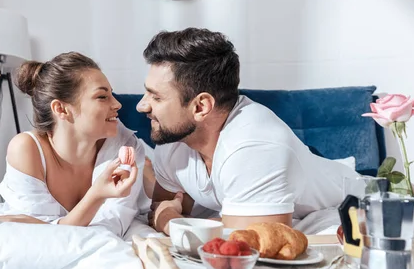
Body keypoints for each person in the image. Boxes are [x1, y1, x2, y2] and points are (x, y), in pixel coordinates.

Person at [137, 28, 359, 235]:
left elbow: (253, 239)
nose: (141, 106)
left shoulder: (256, 146)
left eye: (156, 97)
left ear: (200, 107)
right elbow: (160, 207)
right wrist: (170, 217)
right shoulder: (173, 140)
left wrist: (170, 219)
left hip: (356, 204)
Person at [0, 52, 144, 237]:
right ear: (61, 109)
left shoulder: (124, 146)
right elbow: (42, 243)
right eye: (102, 97)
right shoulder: (27, 150)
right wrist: (96, 196)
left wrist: (95, 195)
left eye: (112, 94)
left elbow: (110, 228)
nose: (117, 104)